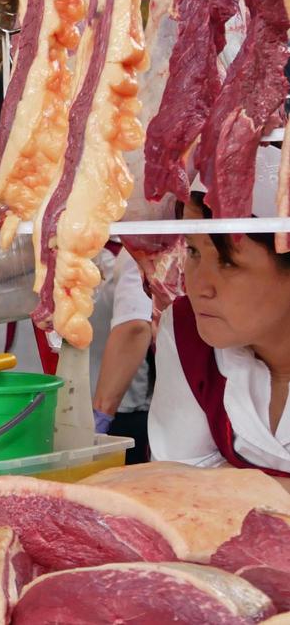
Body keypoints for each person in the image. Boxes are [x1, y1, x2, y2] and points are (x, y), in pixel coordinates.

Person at [149, 147, 290, 486]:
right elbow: (179, 483)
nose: (199, 286)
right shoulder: (186, 330)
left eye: (228, 262)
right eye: (194, 251)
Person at [90, 249, 153, 463]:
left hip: (123, 409)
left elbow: (135, 327)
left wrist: (99, 419)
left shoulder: (137, 248)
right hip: (98, 404)